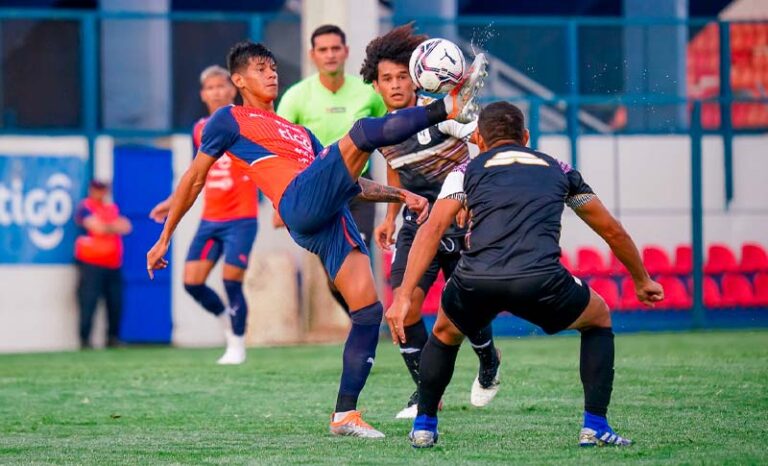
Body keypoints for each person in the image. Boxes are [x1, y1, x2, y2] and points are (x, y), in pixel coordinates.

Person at [146, 41, 486, 438]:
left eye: (272, 66)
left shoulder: (300, 133)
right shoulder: (229, 119)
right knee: (360, 132)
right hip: (298, 202)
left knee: (368, 310)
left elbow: (343, 177)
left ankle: (345, 415)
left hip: (325, 214)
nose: (271, 73)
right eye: (260, 69)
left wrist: (401, 195)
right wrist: (165, 235)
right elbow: (194, 177)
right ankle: (446, 107)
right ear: (239, 80)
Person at [386, 102, 665, 448]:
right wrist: (642, 279)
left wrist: (403, 296)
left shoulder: (465, 171)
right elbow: (612, 230)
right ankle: (595, 425)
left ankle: (425, 425)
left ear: (480, 141)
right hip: (541, 280)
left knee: (444, 331)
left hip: (477, 280)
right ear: (527, 138)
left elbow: (431, 230)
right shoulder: (559, 169)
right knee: (598, 318)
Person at [360, 23, 500, 419]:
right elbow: (395, 167)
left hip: (460, 220)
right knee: (402, 309)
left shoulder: (441, 114)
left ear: (418, 75)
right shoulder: (380, 130)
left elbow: (485, 143)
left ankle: (489, 361)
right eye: (386, 79)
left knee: (466, 311)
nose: (394, 84)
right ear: (376, 86)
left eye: (402, 76)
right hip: (417, 223)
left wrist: (475, 195)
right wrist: (390, 214)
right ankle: (427, 392)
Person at [149, 65, 258, 365]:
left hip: (242, 218)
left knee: (231, 280)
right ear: (203, 94)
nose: (217, 92)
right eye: (210, 87)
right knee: (191, 281)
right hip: (211, 219)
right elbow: (195, 173)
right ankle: (226, 318)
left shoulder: (248, 120)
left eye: (221, 85)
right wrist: (173, 201)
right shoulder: (199, 129)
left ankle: (237, 345)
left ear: (233, 89)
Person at [277, 24, 387, 247]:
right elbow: (280, 149)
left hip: (359, 189)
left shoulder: (369, 93)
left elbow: (389, 136)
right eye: (323, 50)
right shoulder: (295, 97)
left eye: (335, 48)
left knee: (357, 255)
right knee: (334, 273)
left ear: (346, 51)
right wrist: (280, 198)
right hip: (316, 192)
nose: (330, 55)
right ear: (312, 55)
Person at [74, 180, 132, 349]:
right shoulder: (85, 207)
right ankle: (85, 340)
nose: (100, 193)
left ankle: (112, 337)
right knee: (89, 301)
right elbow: (97, 227)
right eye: (97, 189)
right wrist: (111, 226)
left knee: (115, 302)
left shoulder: (110, 208)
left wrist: (107, 226)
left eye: (103, 189)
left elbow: (126, 226)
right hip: (91, 263)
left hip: (113, 263)